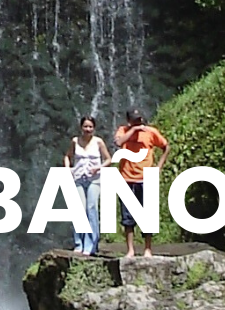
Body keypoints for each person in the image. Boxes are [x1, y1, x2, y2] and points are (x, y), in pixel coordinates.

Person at [112, 106, 169, 259]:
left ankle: (148, 249)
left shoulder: (151, 132)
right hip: (126, 178)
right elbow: (118, 142)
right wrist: (133, 130)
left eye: (140, 119)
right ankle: (130, 250)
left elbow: (165, 146)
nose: (139, 122)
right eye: (135, 120)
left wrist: (159, 167)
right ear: (129, 121)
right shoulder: (123, 130)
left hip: (146, 177)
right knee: (127, 217)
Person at [63, 114, 111, 255]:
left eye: (90, 127)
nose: (88, 129)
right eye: (85, 126)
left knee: (92, 209)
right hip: (78, 179)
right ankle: (79, 244)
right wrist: (68, 169)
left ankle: (91, 245)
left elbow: (108, 159)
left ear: (94, 128)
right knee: (79, 210)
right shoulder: (75, 141)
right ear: (81, 127)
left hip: (94, 180)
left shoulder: (98, 142)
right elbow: (67, 156)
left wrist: (99, 167)